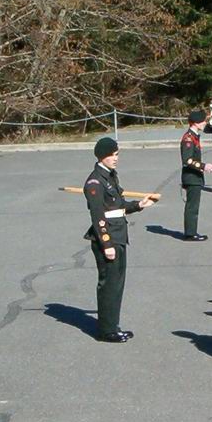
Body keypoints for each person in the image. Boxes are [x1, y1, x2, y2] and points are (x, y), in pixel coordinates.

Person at [83, 138, 155, 343]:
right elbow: (98, 216)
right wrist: (107, 244)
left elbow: (118, 205)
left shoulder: (110, 176)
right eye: (112, 155)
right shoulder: (95, 182)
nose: (116, 158)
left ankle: (112, 325)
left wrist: (138, 205)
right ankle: (106, 331)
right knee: (109, 285)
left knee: (117, 284)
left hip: (119, 235)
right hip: (109, 238)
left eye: (117, 155)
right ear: (101, 156)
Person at [181, 110, 212, 241]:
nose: (205, 123)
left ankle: (191, 231)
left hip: (195, 176)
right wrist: (203, 166)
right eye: (203, 121)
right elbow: (187, 160)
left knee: (194, 206)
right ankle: (190, 233)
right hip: (191, 177)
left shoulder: (194, 136)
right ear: (196, 123)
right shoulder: (188, 138)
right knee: (192, 207)